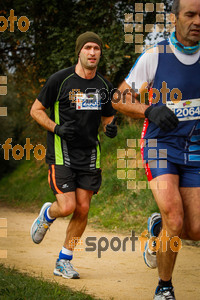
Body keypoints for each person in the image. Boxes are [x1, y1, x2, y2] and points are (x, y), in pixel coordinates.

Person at [112, 0, 200, 299]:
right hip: (160, 146)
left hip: (195, 149)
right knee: (176, 219)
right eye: (190, 14)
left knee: (195, 229)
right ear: (174, 18)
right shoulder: (155, 55)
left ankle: (158, 226)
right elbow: (118, 98)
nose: (197, 21)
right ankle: (164, 287)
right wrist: (149, 110)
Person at [30, 31, 117, 279]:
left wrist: (110, 127)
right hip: (62, 152)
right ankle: (48, 214)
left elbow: (109, 116)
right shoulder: (60, 80)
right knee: (67, 206)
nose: (92, 52)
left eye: (96, 48)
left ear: (100, 52)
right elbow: (35, 110)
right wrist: (56, 128)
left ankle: (63, 261)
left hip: (90, 155)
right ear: (79, 51)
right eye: (88, 48)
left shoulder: (103, 86)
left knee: (83, 208)